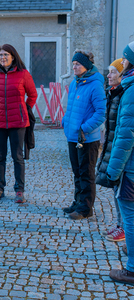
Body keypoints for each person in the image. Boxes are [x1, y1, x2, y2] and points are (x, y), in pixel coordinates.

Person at [0, 44, 37, 203]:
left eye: (6, 54)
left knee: (17, 156)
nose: (3, 58)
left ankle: (19, 190)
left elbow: (33, 95)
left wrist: (24, 108)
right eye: (0, 55)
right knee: (0, 157)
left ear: (13, 56)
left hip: (18, 122)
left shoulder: (23, 74)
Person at [62, 50, 106, 220]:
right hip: (73, 137)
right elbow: (71, 107)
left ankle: (86, 208)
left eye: (77, 64)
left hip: (87, 138)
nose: (74, 67)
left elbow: (100, 112)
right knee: (77, 172)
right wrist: (66, 121)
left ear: (86, 66)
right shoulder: (75, 83)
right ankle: (78, 202)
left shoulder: (95, 84)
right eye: (73, 64)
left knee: (86, 173)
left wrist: (84, 128)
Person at [107, 41, 134, 285]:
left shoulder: (132, 90)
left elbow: (126, 135)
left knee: (130, 216)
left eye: (125, 59)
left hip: (131, 169)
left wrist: (112, 172)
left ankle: (132, 269)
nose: (121, 63)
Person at [96, 58, 125, 242]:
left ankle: (124, 228)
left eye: (113, 71)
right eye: (109, 71)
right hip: (112, 148)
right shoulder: (113, 93)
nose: (109, 75)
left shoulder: (124, 95)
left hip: (120, 151)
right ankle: (120, 224)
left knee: (122, 192)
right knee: (116, 190)